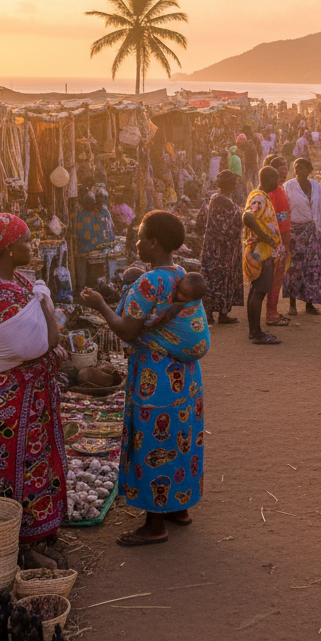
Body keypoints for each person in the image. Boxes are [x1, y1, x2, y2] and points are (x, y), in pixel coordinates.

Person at [79, 211, 208, 545]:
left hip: (156, 375)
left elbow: (127, 330)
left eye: (140, 237)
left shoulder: (150, 283)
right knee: (180, 438)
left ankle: (155, 525)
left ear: (153, 243)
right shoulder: (181, 274)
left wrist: (100, 305)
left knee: (154, 443)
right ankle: (179, 507)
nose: (135, 242)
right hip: (185, 376)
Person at [0, 213, 66, 564]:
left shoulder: (15, 281)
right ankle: (17, 546)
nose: (32, 246)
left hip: (26, 397)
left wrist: (41, 308)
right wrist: (44, 302)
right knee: (7, 470)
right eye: (26, 240)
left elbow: (42, 338)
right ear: (7, 249)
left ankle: (39, 535)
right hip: (4, 400)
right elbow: (46, 339)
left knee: (35, 464)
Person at [242, 166, 286, 345]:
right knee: (259, 292)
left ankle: (254, 331)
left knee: (256, 290)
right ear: (268, 179)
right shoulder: (259, 197)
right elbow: (247, 216)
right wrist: (265, 238)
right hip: (261, 252)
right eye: (276, 179)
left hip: (260, 251)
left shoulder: (260, 196)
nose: (278, 183)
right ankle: (257, 334)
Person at [283, 157, 321, 316]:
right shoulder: (288, 187)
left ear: (309, 170)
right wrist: (284, 233)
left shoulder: (316, 186)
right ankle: (292, 304)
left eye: (302, 167)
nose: (298, 170)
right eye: (296, 167)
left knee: (313, 267)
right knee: (294, 268)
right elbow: (284, 211)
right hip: (294, 232)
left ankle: (310, 303)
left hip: (312, 230)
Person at [199, 170, 244, 324]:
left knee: (215, 278)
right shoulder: (222, 200)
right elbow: (231, 223)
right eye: (234, 183)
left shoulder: (216, 198)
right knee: (221, 278)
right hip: (222, 248)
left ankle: (216, 313)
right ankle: (218, 313)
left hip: (215, 247)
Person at [262, 154, 292, 326]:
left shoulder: (276, 190)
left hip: (278, 239)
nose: (284, 175)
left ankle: (272, 310)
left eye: (285, 171)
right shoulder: (274, 192)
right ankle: (271, 313)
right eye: (280, 173)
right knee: (275, 276)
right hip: (277, 240)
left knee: (274, 276)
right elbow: (277, 218)